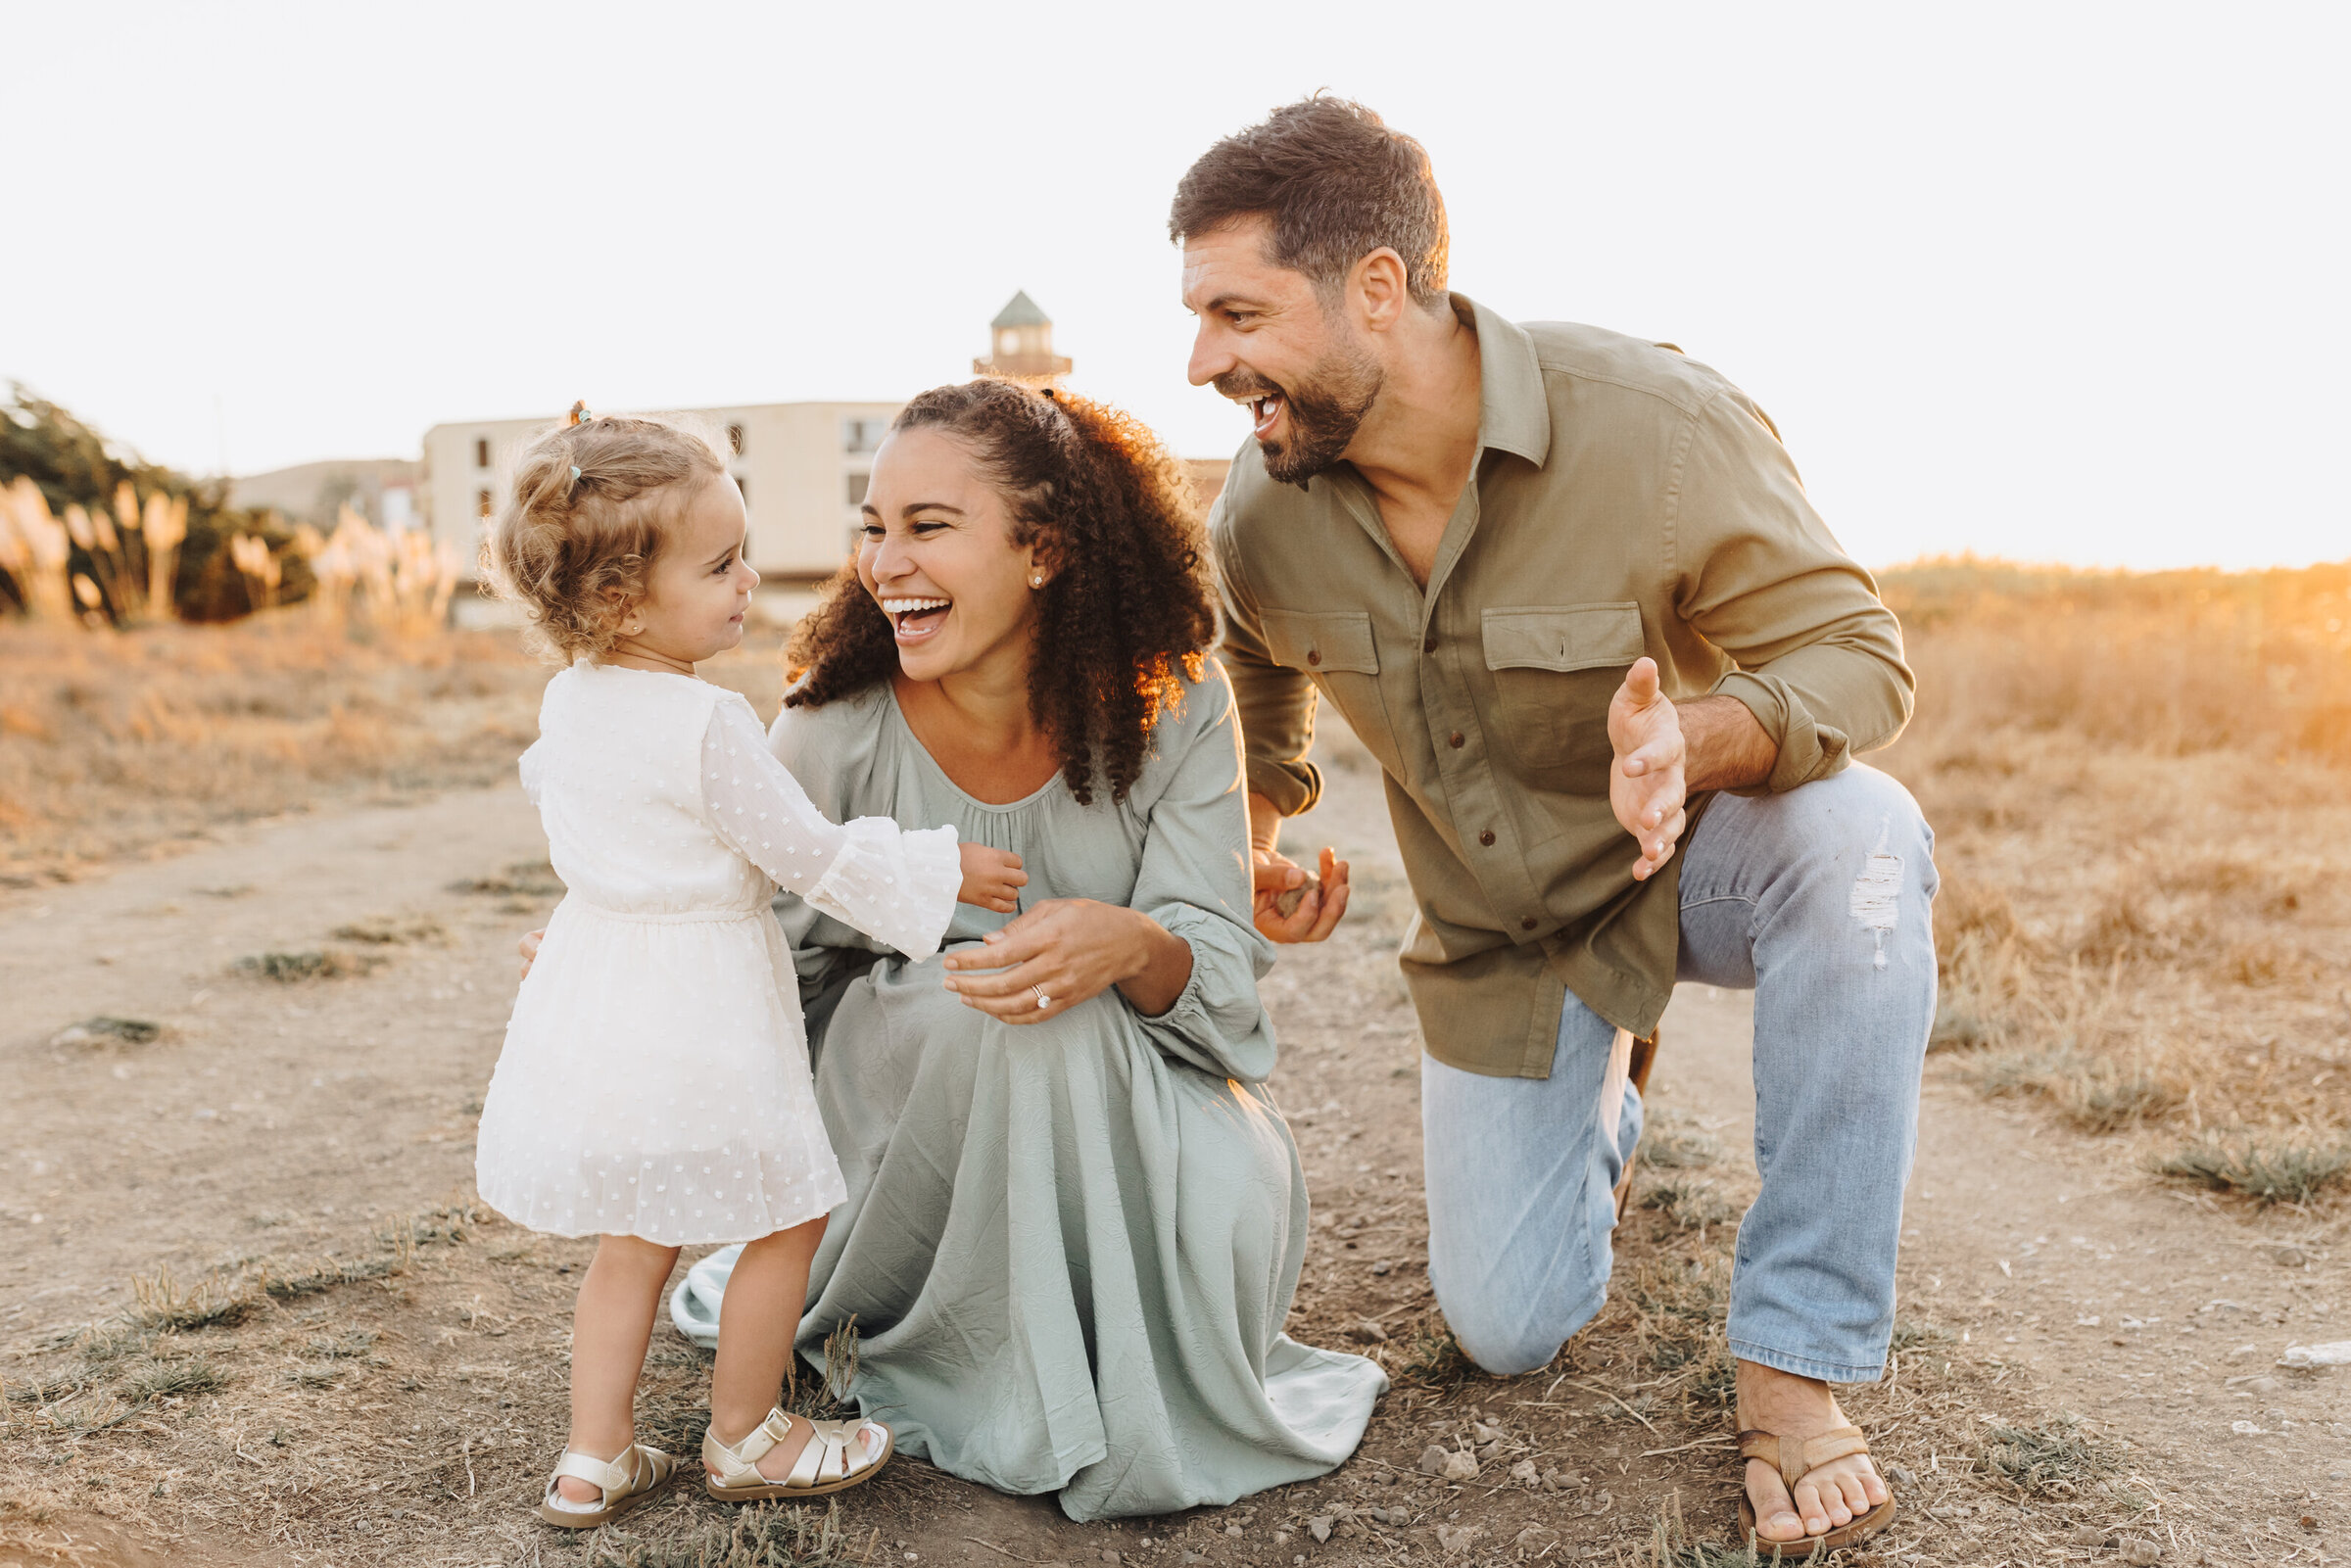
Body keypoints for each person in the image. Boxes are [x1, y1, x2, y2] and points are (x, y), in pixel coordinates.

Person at [1172, 98, 1935, 1553]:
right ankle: (1608, 1069)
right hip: (1500, 935)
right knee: (1508, 1329)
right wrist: (1261, 813)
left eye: (1236, 312)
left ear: (1377, 291)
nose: (1204, 360)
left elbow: (1859, 653)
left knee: (1863, 842)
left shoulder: (1655, 426)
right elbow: (1252, 662)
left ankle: (1799, 1365)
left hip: (1681, 858)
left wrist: (1700, 737)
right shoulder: (1265, 509)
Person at [664, 379, 1388, 1521]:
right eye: (873, 525)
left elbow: (1221, 985)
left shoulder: (1180, 703)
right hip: (908, 1145)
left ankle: (1125, 1349)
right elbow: (756, 976)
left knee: (1069, 1023)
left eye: (929, 526)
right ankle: (990, 1358)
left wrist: (1127, 941)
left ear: (1044, 548)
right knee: (999, 1010)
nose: (886, 560)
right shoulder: (826, 731)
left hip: (1149, 1119)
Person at [474, 405, 1023, 1528]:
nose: (748, 579)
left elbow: (588, 840)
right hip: (704, 1002)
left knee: (638, 1229)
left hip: (612, 986)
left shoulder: (567, 702)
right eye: (721, 564)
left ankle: (592, 1457)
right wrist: (938, 864)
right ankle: (747, 1438)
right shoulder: (710, 722)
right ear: (623, 596)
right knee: (788, 1210)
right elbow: (807, 856)